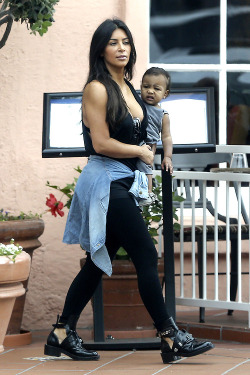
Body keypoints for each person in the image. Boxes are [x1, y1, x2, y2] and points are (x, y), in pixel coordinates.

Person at [44, 18, 214, 364]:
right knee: (146, 255)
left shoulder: (132, 88)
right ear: (100, 50)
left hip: (125, 182)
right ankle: (169, 336)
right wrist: (139, 152)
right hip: (106, 181)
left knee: (96, 263)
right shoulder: (97, 88)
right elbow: (102, 142)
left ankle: (61, 332)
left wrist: (159, 152)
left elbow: (152, 130)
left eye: (126, 42)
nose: (122, 48)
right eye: (113, 43)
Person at [137, 67, 173, 206]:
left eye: (156, 89)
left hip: (149, 144)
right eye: (146, 86)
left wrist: (167, 156)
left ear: (165, 93)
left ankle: (148, 192)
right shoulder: (137, 104)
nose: (150, 91)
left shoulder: (163, 114)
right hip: (133, 141)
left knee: (145, 166)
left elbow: (166, 137)